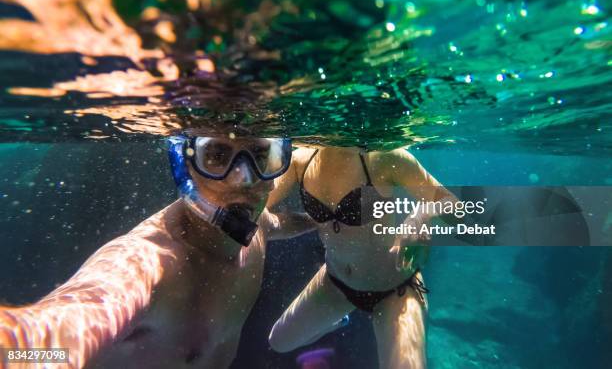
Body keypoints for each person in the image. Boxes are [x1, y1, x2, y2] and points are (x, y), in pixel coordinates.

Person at [0, 132, 315, 369]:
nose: (244, 179)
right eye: (217, 154)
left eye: (262, 155)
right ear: (184, 169)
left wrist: (322, 219)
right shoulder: (145, 264)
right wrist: (13, 349)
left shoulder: (255, 225)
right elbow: (39, 343)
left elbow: (277, 224)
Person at [266, 145, 459, 369]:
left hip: (395, 289)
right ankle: (338, 321)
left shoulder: (384, 157)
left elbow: (455, 208)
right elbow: (259, 207)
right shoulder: (301, 162)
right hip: (335, 281)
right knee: (279, 341)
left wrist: (421, 217)